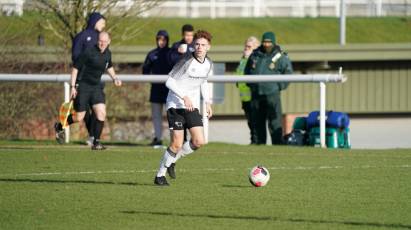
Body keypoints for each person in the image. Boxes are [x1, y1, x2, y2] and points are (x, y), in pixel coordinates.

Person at [154, 30, 214, 186]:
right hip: (175, 105)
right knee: (176, 144)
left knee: (199, 141)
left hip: (191, 106)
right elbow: (169, 82)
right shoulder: (186, 61)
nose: (200, 47)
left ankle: (174, 160)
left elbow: (204, 82)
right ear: (193, 45)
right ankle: (160, 175)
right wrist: (184, 96)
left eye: (203, 45)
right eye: (197, 44)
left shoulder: (208, 64)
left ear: (209, 47)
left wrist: (207, 101)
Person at [54, 32, 122, 150]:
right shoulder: (88, 52)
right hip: (83, 86)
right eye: (100, 41)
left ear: (109, 42)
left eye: (105, 42)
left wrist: (115, 78)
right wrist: (73, 86)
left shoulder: (108, 53)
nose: (102, 44)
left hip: (96, 87)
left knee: (101, 113)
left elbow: (109, 66)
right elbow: (75, 69)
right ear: (97, 41)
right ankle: (60, 126)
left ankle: (96, 142)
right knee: (80, 117)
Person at [244, 31, 293, 145]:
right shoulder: (255, 54)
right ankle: (259, 145)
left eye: (269, 42)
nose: (266, 44)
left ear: (273, 42)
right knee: (257, 122)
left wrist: (278, 86)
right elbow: (247, 71)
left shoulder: (280, 56)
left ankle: (277, 146)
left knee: (274, 122)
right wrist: (251, 84)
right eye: (265, 42)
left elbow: (288, 73)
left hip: (272, 94)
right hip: (256, 94)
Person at [68, 12, 106, 146]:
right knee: (81, 115)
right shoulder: (82, 36)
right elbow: (75, 56)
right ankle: (62, 124)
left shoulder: (102, 38)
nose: (103, 25)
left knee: (99, 110)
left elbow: (106, 58)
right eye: (102, 22)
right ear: (95, 21)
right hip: (82, 80)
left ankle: (95, 139)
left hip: (96, 82)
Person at [142, 30, 172, 146]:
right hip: (155, 90)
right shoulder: (151, 54)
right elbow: (145, 71)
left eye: (164, 39)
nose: (161, 42)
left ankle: (174, 139)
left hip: (170, 90)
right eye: (159, 39)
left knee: (171, 116)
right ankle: (158, 139)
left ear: (167, 40)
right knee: (156, 116)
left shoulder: (171, 53)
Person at [235, 36, 260, 144]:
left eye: (249, 47)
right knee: (250, 122)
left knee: (255, 121)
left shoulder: (255, 59)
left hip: (253, 96)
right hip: (245, 97)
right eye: (246, 46)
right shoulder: (243, 59)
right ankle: (253, 140)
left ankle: (256, 141)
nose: (246, 48)